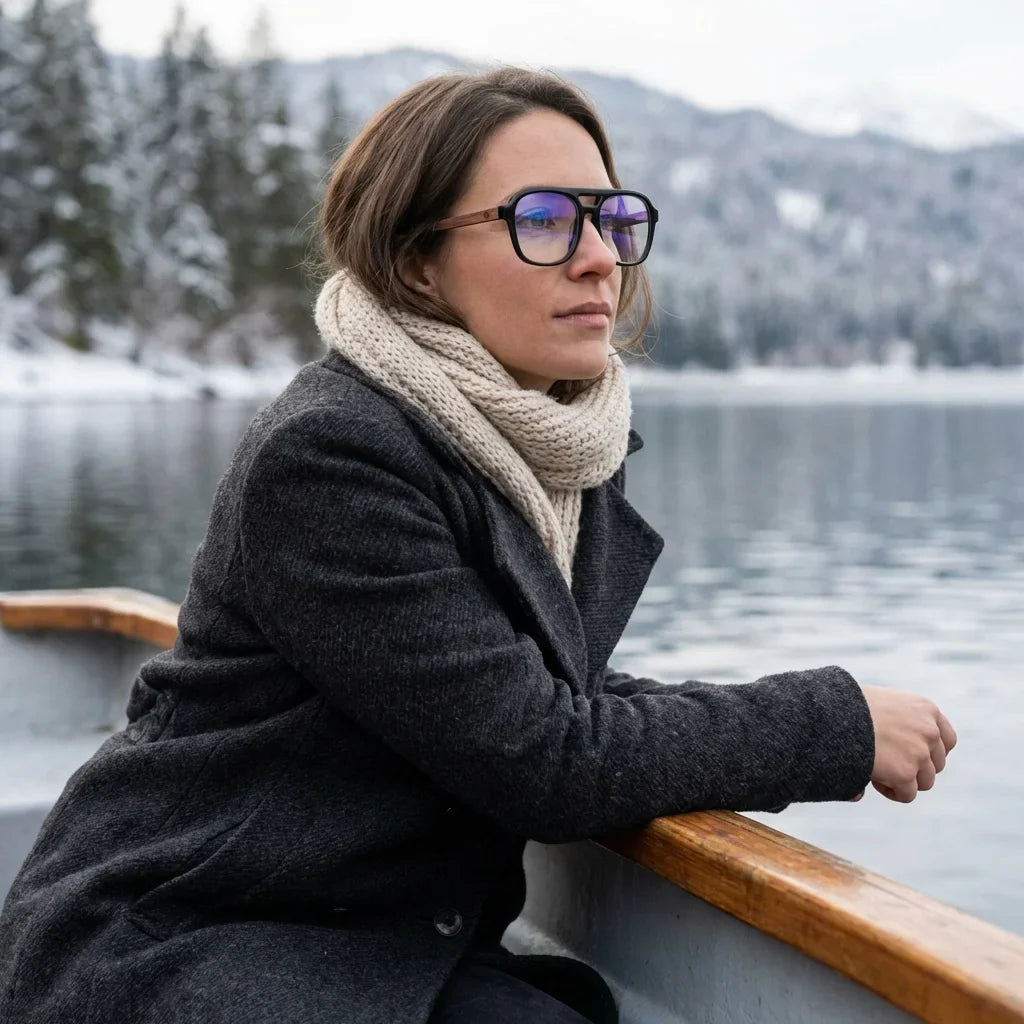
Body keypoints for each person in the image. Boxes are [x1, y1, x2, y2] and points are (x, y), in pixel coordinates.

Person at [0, 67, 956, 1024]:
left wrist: (810, 715)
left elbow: (545, 694)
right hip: (178, 934)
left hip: (359, 933)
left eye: (611, 219)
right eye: (544, 220)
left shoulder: (545, 444)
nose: (599, 260)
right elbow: (543, 756)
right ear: (417, 261)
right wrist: (831, 724)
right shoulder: (332, 455)